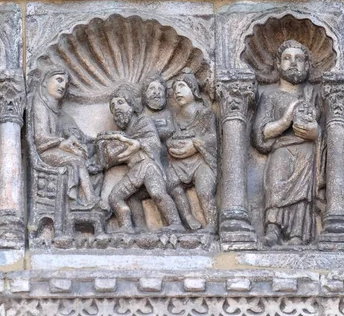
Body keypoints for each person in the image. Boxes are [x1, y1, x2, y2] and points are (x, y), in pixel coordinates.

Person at [252, 39, 321, 246]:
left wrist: (315, 133)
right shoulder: (270, 96)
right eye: (287, 58)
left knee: (302, 197)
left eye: (299, 59)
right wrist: (285, 120)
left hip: (306, 152)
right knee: (276, 186)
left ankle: (297, 235)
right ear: (277, 63)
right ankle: (273, 229)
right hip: (280, 150)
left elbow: (327, 132)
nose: (293, 63)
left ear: (307, 65)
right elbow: (259, 133)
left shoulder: (313, 96)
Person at [104, 84, 184, 233]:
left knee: (157, 194)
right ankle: (133, 227)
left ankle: (176, 223)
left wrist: (138, 143)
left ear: (132, 105)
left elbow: (154, 143)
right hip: (136, 170)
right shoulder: (125, 131)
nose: (116, 108)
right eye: (113, 106)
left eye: (120, 102)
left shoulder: (143, 121)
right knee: (116, 197)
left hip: (148, 166)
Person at [31, 64, 99, 209]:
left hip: (55, 149)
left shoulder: (60, 113)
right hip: (45, 152)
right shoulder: (40, 105)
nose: (63, 86)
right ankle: (89, 201)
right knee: (76, 160)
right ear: (45, 82)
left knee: (89, 161)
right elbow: (40, 137)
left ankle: (83, 200)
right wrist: (63, 143)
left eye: (66, 84)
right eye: (59, 80)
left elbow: (80, 136)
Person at [166, 69, 218, 233]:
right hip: (179, 161)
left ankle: (212, 224)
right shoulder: (174, 117)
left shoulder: (205, 112)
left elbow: (212, 137)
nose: (177, 92)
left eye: (182, 86)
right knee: (171, 184)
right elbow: (169, 136)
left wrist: (194, 144)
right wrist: (171, 145)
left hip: (202, 160)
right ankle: (188, 217)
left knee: (204, 189)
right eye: (175, 89)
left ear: (193, 89)